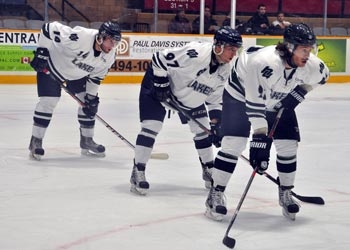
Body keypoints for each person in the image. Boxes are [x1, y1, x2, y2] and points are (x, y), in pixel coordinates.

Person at [205, 23, 329, 221]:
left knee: (288, 146)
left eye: (310, 49)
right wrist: (260, 140)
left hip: (278, 98)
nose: (308, 54)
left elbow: (324, 76)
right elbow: (255, 107)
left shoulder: (311, 64)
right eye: (304, 49)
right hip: (240, 95)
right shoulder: (263, 63)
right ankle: (215, 194)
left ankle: (286, 192)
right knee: (234, 143)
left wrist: (300, 92)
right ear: (289, 47)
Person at [130, 26, 243, 195]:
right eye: (231, 49)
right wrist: (161, 83)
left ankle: (208, 169)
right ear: (218, 46)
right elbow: (159, 57)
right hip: (158, 91)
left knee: (203, 131)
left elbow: (214, 100)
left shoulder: (225, 70)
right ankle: (138, 171)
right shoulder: (195, 53)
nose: (233, 55)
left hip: (189, 96)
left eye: (236, 50)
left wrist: (217, 123)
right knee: (151, 127)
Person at [28, 20, 122, 160]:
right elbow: (48, 28)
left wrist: (91, 98)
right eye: (111, 41)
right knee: (49, 102)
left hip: (77, 75)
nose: (113, 45)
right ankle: (35, 141)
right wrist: (42, 51)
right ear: (101, 37)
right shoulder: (80, 36)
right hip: (53, 67)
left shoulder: (109, 56)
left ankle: (87, 141)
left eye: (116, 42)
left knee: (87, 103)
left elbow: (95, 78)